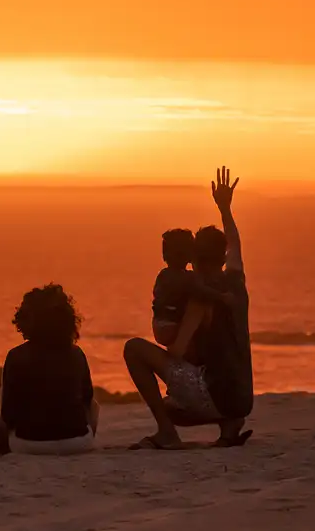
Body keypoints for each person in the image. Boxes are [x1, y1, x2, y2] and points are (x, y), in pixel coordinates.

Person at [124, 167, 254, 449]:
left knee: (134, 350)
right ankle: (230, 426)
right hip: (242, 400)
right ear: (222, 256)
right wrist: (225, 209)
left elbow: (177, 352)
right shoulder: (236, 283)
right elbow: (235, 245)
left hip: (216, 397)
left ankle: (166, 433)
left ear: (194, 257)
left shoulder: (198, 295)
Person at [0, 284, 99, 456]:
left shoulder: (15, 356)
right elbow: (87, 401)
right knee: (95, 406)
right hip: (79, 443)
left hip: (30, 444)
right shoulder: (77, 353)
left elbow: (9, 416)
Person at [152, 228, 238, 351]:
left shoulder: (163, 275)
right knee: (202, 305)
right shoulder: (188, 278)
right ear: (189, 255)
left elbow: (158, 296)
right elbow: (202, 291)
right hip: (171, 327)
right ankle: (178, 352)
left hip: (158, 325)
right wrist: (223, 297)